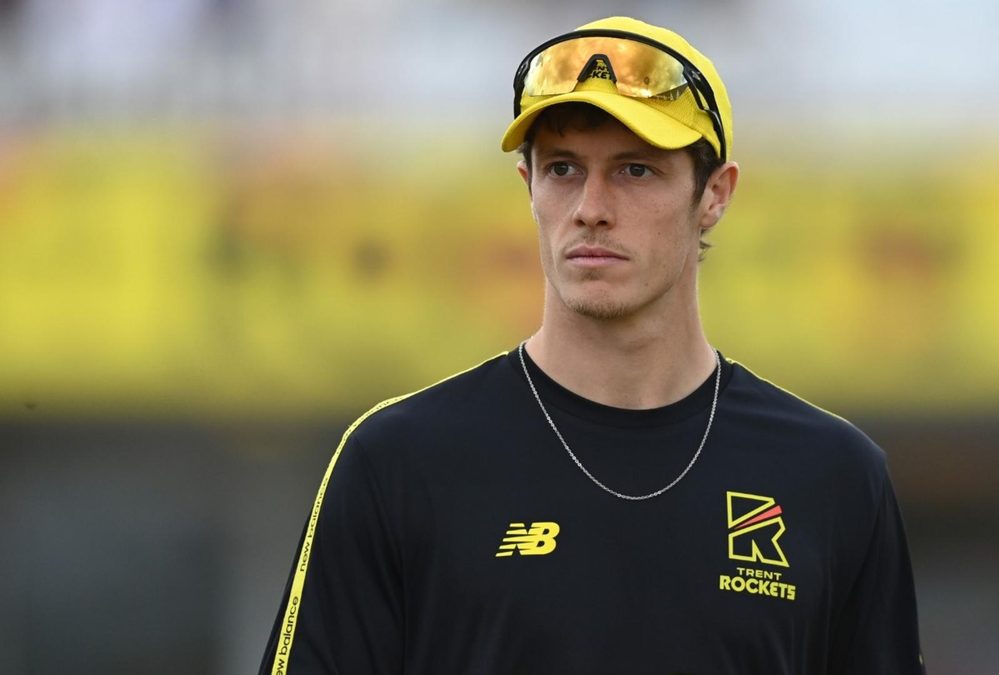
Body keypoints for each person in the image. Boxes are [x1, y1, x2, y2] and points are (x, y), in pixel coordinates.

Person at [260, 16, 924, 675]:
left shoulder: (832, 476)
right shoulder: (398, 462)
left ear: (715, 194)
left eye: (635, 170)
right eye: (563, 169)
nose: (591, 207)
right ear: (529, 187)